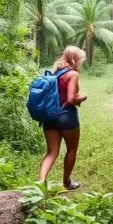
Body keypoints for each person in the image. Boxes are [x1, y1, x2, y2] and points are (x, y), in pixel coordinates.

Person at [37, 46, 88, 190]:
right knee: (71, 149)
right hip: (66, 116)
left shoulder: (55, 72)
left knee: (51, 152)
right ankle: (67, 182)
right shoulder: (72, 74)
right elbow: (71, 99)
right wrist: (83, 97)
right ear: (75, 58)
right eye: (80, 58)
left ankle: (40, 183)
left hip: (50, 117)